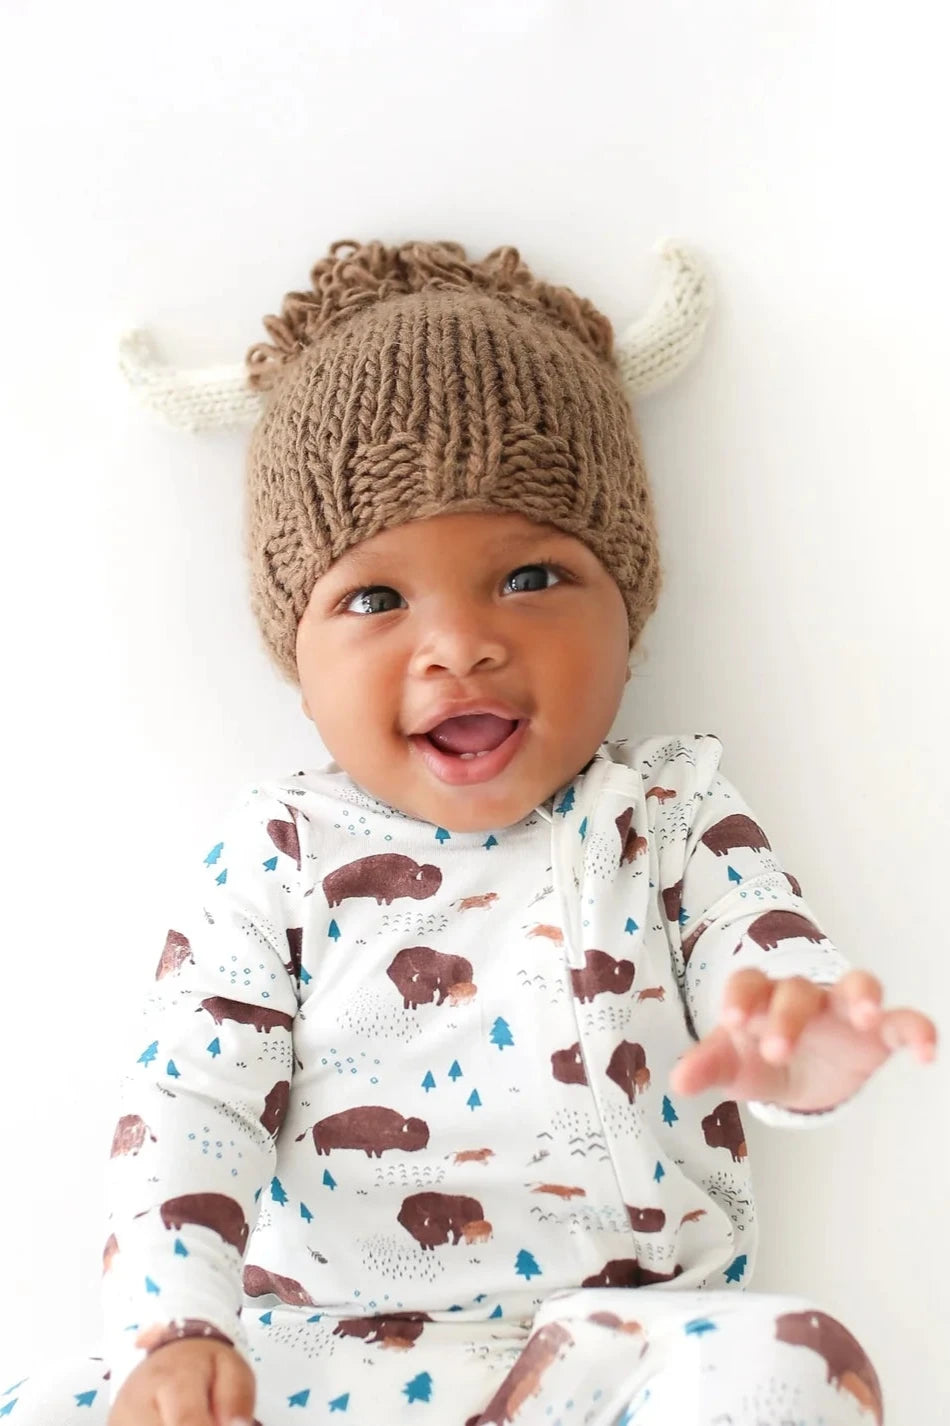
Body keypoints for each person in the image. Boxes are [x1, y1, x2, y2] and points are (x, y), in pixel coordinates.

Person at [3, 239, 936, 1426]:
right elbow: (192, 1104)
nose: (457, 646)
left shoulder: (666, 813)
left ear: (627, 609)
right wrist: (175, 1329)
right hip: (322, 1360)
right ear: (296, 657)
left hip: (612, 1358)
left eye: (530, 577)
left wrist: (796, 1045)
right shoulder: (277, 855)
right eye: (375, 599)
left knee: (796, 1359)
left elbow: (757, 947)